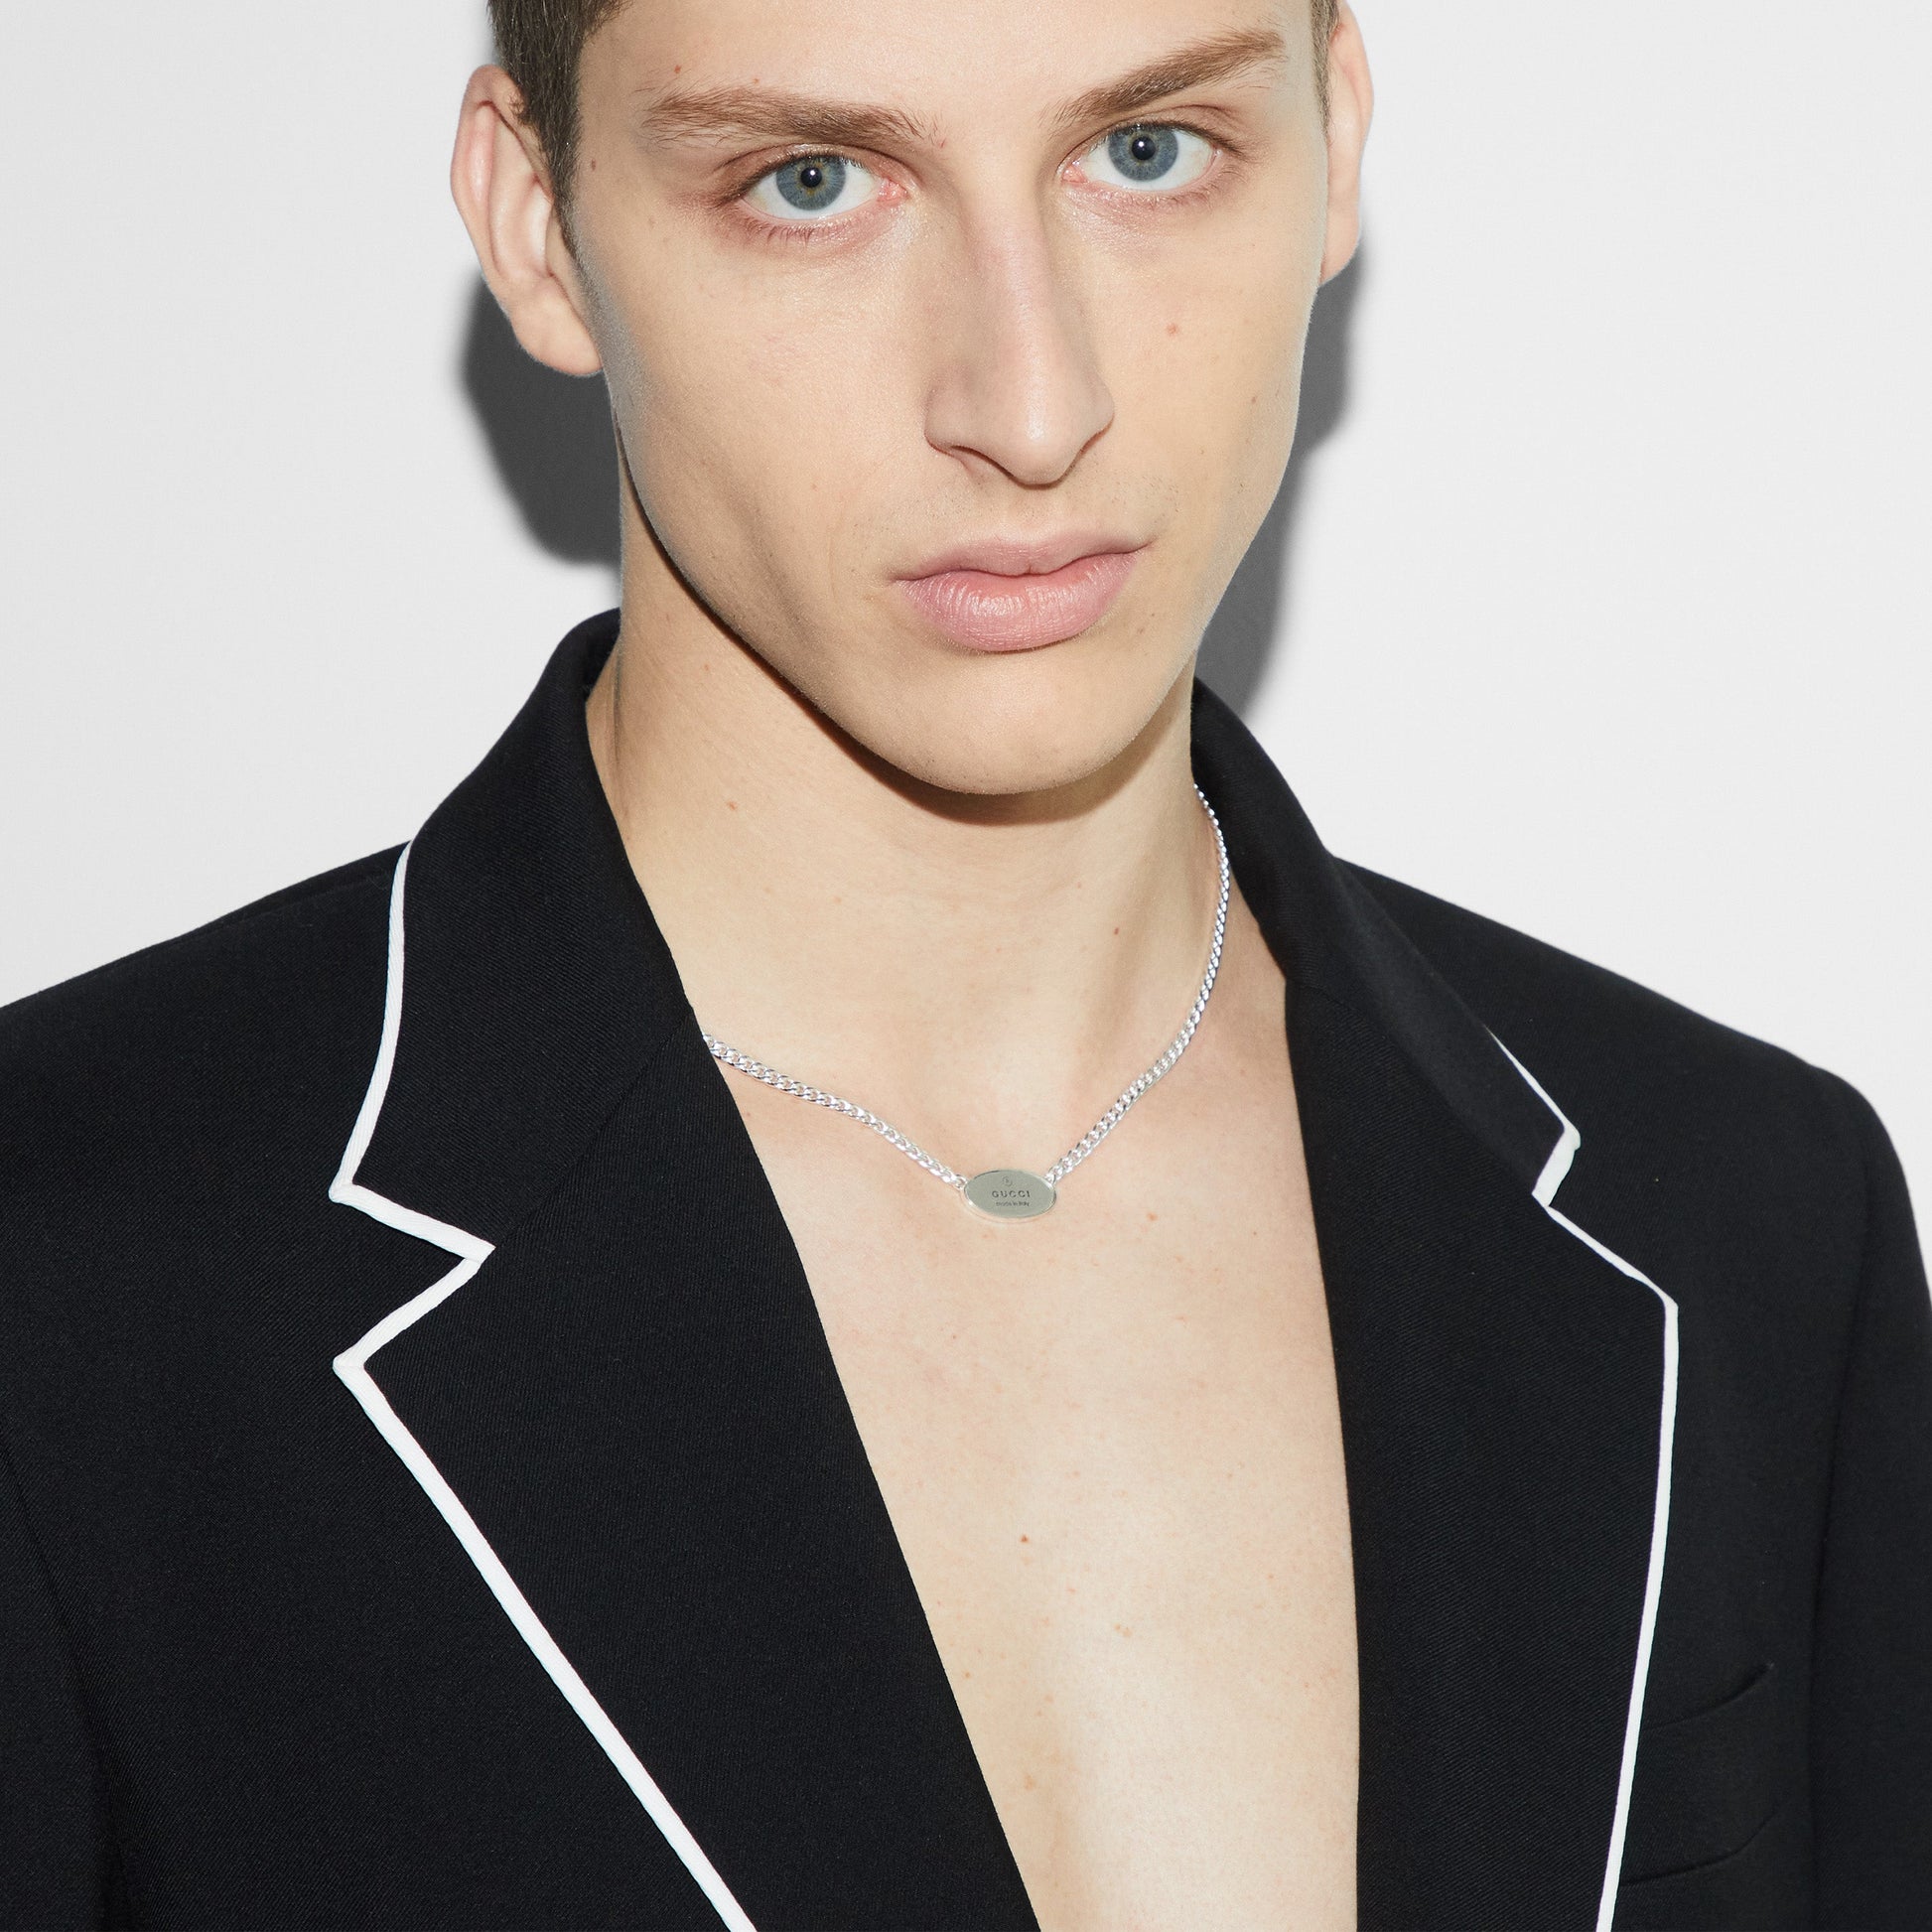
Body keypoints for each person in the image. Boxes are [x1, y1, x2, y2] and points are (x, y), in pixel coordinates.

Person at [2, 0, 1927, 1925]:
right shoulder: (70, 1282)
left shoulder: (1750, 1229)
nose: (1029, 398)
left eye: (1146, 152)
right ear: (532, 219)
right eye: (811, 183)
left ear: (1335, 129)